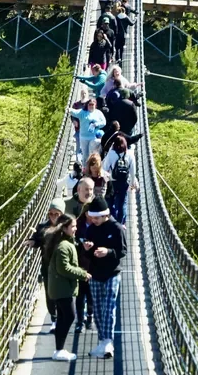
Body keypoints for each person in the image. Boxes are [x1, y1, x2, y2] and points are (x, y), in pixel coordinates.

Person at [81, 196, 127, 358]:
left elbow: (122, 251)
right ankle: (102, 341)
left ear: (105, 215)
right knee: (98, 310)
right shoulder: (91, 229)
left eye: (97, 217)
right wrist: (87, 247)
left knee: (109, 306)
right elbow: (88, 250)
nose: (94, 220)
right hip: (95, 273)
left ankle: (108, 341)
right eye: (92, 217)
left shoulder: (116, 228)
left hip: (112, 273)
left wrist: (107, 252)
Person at [44, 214, 89, 361]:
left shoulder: (65, 242)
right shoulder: (64, 246)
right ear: (64, 228)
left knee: (64, 317)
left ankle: (59, 349)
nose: (75, 229)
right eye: (73, 227)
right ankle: (59, 349)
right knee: (69, 316)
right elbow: (64, 268)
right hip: (62, 288)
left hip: (60, 287)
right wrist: (82, 274)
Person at [25, 200, 67, 333]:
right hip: (48, 267)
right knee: (50, 294)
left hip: (63, 266)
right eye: (51, 213)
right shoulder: (42, 226)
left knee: (64, 294)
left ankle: (62, 317)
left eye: (56, 213)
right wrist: (32, 241)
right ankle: (54, 320)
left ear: (62, 213)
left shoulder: (67, 225)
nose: (53, 216)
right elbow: (37, 240)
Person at [102, 135, 137, 224]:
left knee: (110, 202)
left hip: (112, 182)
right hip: (124, 182)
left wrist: (106, 180)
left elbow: (105, 168)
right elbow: (133, 171)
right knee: (122, 204)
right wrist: (132, 183)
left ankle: (109, 221)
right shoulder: (130, 155)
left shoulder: (111, 154)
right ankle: (120, 224)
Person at [69, 97, 106, 166]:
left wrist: (96, 124)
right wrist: (68, 109)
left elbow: (104, 122)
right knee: (85, 155)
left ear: (95, 105)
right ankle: (84, 170)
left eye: (93, 104)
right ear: (87, 105)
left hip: (93, 137)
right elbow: (74, 112)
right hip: (83, 137)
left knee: (91, 154)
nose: (91, 106)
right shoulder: (82, 112)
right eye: (90, 104)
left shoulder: (98, 113)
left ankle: (91, 169)